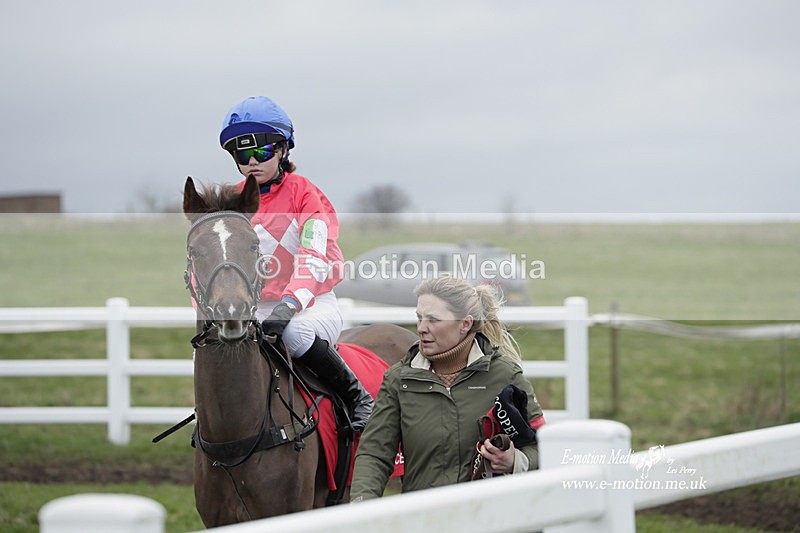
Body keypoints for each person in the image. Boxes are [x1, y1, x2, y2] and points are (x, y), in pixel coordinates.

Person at [218, 95, 372, 431]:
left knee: (293, 333)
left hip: (309, 305)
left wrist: (289, 305)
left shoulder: (305, 194)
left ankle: (357, 396)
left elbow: (314, 257)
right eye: (243, 155)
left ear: (283, 150)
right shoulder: (230, 200)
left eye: (262, 152)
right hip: (254, 307)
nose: (252, 162)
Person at [351, 275, 546, 500]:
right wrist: (360, 506)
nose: (421, 328)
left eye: (433, 320)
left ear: (465, 324)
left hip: (488, 515)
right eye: (419, 317)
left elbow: (543, 446)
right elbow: (374, 454)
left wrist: (515, 461)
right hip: (423, 515)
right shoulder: (398, 379)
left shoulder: (505, 375)